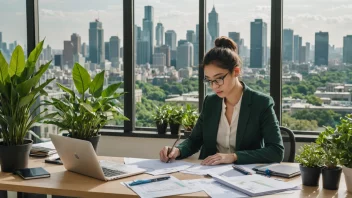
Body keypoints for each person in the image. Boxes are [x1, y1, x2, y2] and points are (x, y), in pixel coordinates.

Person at [159, 36, 284, 165]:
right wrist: (177, 150)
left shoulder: (261, 103)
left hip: (245, 177)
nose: (214, 86)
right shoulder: (211, 102)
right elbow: (194, 140)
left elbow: (276, 151)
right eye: (209, 80)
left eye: (218, 78)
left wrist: (234, 157)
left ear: (236, 71)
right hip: (209, 174)